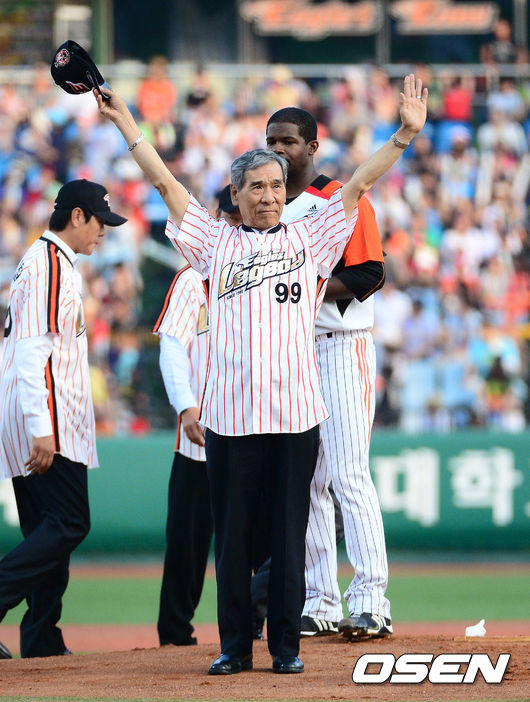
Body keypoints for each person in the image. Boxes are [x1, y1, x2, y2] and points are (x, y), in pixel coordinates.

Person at [95, 74, 427, 674]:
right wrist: (126, 124)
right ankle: (232, 648)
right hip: (231, 418)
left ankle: (287, 650)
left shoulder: (310, 236)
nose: (270, 196)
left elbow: (359, 184)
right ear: (237, 194)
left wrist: (404, 133)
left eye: (276, 185)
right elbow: (164, 182)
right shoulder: (213, 243)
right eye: (257, 187)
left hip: (297, 416)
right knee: (235, 542)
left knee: (287, 537)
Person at [265, 106, 390, 639]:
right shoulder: (263, 206)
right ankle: (318, 600)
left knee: (347, 473)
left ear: (312, 147)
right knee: (306, 481)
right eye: (272, 140)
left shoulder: (339, 199)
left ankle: (371, 600)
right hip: (293, 351)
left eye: (289, 141)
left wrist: (303, 285)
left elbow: (369, 273)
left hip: (341, 345)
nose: (279, 148)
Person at [0, 179, 127, 658]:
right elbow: (36, 352)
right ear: (77, 216)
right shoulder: (52, 264)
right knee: (70, 523)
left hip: (32, 409)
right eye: (100, 223)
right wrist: (42, 427)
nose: (103, 233)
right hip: (46, 413)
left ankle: (41, 635)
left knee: (46, 530)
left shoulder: (44, 261)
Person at [155, 186, 241, 647]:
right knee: (187, 546)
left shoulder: (263, 274)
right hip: (200, 438)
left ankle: (252, 630)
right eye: (227, 216)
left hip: (249, 431)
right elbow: (172, 345)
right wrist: (185, 403)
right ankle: (174, 637)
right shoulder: (193, 279)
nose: (231, 224)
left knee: (250, 543)